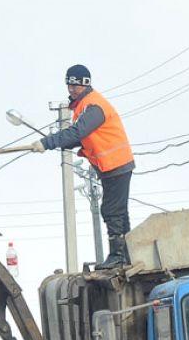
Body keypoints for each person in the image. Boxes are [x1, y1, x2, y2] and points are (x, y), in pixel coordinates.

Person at [31, 64, 135, 269]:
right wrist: (57, 143)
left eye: (75, 85)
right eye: (69, 85)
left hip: (116, 164)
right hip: (111, 166)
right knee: (118, 211)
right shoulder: (84, 106)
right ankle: (126, 253)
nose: (71, 89)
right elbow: (80, 137)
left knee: (112, 210)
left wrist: (48, 142)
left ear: (85, 84)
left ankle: (118, 256)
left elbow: (78, 132)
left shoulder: (94, 106)